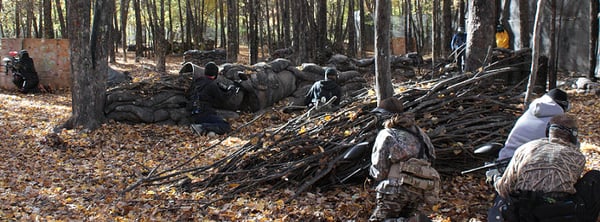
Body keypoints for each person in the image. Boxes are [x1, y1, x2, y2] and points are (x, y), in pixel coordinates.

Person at [492, 114, 600, 221]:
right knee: (595, 176)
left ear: (548, 131)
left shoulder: (525, 148)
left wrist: (494, 177)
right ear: (573, 134)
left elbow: (504, 187)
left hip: (522, 212)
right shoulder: (577, 156)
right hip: (558, 213)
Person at [369, 99, 440, 222]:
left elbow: (380, 170)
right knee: (410, 216)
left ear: (384, 116)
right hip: (420, 189)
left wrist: (373, 177)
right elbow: (432, 157)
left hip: (394, 189)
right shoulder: (420, 133)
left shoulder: (386, 134)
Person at [497, 88, 569, 160]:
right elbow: (568, 149)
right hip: (529, 164)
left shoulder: (532, 110)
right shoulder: (558, 122)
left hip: (505, 158)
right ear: (564, 105)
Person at [188, 62, 235, 136]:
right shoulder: (212, 85)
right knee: (226, 126)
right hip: (204, 113)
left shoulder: (198, 81)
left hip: (192, 113)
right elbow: (223, 100)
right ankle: (201, 127)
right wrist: (231, 91)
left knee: (213, 123)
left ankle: (207, 131)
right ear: (215, 73)